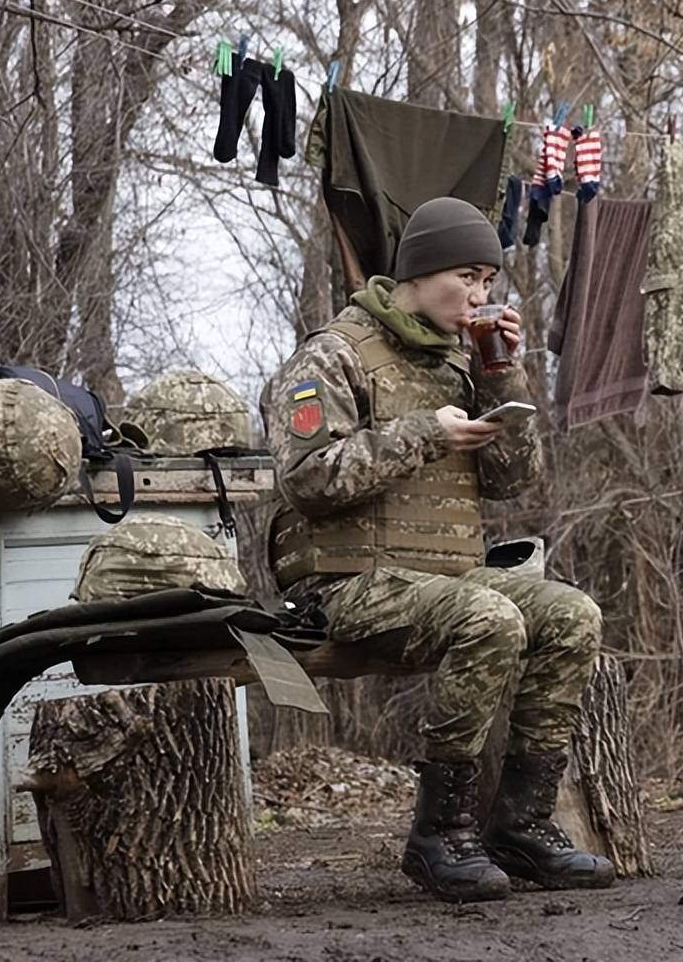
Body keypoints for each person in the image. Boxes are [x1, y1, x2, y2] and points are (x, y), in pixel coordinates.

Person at [261, 197, 615, 903]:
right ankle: (440, 834)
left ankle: (521, 825)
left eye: (489, 280)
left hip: (449, 577)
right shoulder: (332, 354)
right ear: (421, 272)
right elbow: (305, 479)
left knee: (573, 615)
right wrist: (425, 432)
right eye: (469, 277)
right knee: (490, 618)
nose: (481, 295)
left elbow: (515, 482)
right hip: (349, 586)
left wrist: (501, 375)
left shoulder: (461, 362)